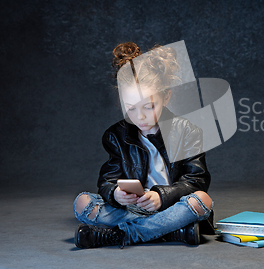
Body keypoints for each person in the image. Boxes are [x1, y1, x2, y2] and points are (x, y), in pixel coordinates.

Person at [73, 42, 213, 249]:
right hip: (133, 208)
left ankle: (121, 235)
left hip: (171, 207)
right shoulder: (115, 135)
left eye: (149, 107)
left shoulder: (187, 130)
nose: (140, 116)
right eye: (130, 108)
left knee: (202, 200)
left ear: (166, 97)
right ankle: (171, 231)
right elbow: (106, 182)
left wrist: (161, 196)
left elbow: (196, 181)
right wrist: (115, 194)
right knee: (82, 202)